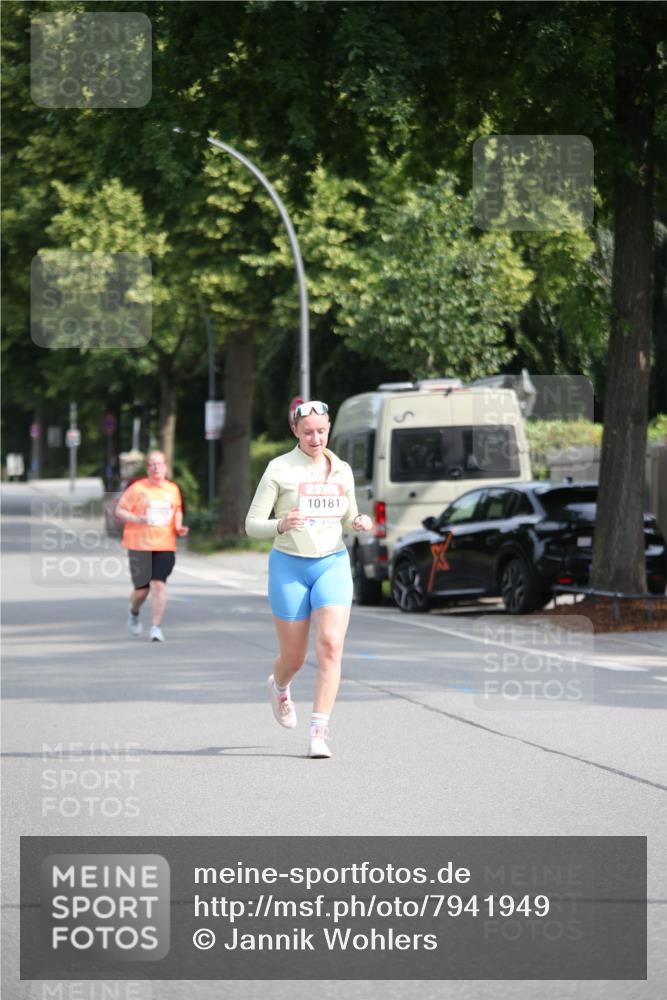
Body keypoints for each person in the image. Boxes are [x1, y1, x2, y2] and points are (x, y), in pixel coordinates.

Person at [246, 400, 372, 758]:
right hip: (290, 566)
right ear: (295, 431)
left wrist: (358, 522)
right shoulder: (279, 468)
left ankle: (319, 732)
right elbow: (251, 525)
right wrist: (281, 524)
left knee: (331, 645)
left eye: (321, 431)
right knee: (294, 658)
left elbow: (348, 517)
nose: (315, 439)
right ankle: (280, 686)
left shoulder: (341, 470)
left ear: (329, 428)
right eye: (307, 433)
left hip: (332, 563)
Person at [115, 450, 188, 642]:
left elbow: (177, 511)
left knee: (158, 585)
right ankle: (133, 611)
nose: (156, 468)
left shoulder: (172, 489)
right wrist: (137, 518)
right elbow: (120, 510)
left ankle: (156, 627)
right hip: (139, 545)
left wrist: (178, 526)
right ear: (148, 468)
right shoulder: (137, 488)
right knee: (141, 591)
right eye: (152, 464)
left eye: (159, 464)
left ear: (165, 467)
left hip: (164, 544)